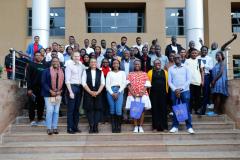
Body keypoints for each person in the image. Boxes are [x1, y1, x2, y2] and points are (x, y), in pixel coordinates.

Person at [168, 54, 195, 134]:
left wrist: (181, 89)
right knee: (175, 108)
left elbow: (189, 80)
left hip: (185, 90)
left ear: (181, 58)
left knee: (186, 108)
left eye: (178, 57)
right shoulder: (171, 69)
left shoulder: (186, 67)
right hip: (174, 91)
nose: (177, 59)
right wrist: (175, 89)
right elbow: (169, 82)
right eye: (175, 58)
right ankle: (175, 126)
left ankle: (189, 127)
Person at [125, 60, 152, 133]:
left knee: (142, 110)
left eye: (138, 64)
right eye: (136, 64)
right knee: (134, 109)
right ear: (134, 65)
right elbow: (128, 84)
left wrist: (142, 92)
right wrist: (132, 92)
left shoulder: (144, 74)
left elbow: (147, 84)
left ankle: (140, 126)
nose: (137, 65)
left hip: (142, 94)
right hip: (132, 94)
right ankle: (136, 126)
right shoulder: (130, 74)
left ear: (141, 65)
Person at [41, 57, 64, 135]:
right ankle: (49, 128)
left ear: (59, 62)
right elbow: (43, 82)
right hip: (48, 94)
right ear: (51, 62)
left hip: (58, 94)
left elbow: (63, 83)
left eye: (57, 61)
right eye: (54, 61)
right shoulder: (46, 71)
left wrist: (60, 91)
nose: (55, 62)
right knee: (50, 111)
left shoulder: (61, 71)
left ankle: (55, 127)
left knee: (56, 111)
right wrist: (50, 91)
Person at [82, 58, 105, 133]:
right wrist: (90, 92)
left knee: (97, 109)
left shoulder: (100, 72)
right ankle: (91, 126)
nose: (93, 63)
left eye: (95, 62)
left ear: (97, 63)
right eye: (91, 62)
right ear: (89, 63)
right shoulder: (86, 71)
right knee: (89, 110)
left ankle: (96, 126)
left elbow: (103, 83)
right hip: (88, 93)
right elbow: (83, 83)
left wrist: (97, 92)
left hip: (98, 93)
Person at [65, 52, 85, 134]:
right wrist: (70, 92)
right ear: (72, 57)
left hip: (79, 88)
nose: (77, 57)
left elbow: (86, 69)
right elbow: (67, 80)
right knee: (71, 110)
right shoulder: (69, 65)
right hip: (72, 87)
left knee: (77, 109)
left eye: (78, 56)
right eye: (75, 56)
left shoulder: (81, 64)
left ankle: (75, 127)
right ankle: (69, 128)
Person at [148, 59, 168, 132]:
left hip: (163, 94)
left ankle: (164, 127)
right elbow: (148, 83)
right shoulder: (150, 72)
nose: (157, 64)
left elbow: (167, 83)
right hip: (153, 94)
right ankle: (155, 127)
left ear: (161, 64)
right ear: (153, 64)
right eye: (156, 63)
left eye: (159, 63)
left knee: (163, 110)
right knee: (155, 110)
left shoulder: (165, 72)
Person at [106, 59, 126, 133]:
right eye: (114, 63)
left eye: (117, 63)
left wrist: (118, 92)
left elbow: (124, 83)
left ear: (119, 64)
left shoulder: (122, 73)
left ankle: (118, 126)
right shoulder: (109, 73)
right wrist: (112, 93)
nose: (115, 65)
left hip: (119, 91)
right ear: (112, 65)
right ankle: (113, 126)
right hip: (110, 91)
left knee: (118, 109)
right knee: (112, 109)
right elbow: (107, 84)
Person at [26, 52, 46, 126]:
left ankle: (40, 118)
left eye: (39, 55)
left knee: (41, 104)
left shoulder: (44, 66)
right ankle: (32, 120)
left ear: (41, 57)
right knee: (32, 105)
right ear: (34, 57)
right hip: (33, 88)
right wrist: (29, 89)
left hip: (42, 89)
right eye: (36, 55)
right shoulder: (30, 65)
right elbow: (28, 78)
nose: (38, 56)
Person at [185, 49, 204, 114]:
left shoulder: (199, 61)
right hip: (189, 82)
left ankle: (197, 109)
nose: (194, 54)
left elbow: (202, 71)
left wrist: (202, 80)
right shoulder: (187, 61)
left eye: (195, 53)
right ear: (190, 54)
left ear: (197, 54)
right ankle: (189, 110)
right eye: (193, 53)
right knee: (190, 97)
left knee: (197, 97)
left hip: (197, 81)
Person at [198, 46, 213, 115]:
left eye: (205, 50)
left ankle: (203, 110)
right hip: (197, 76)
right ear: (200, 51)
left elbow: (211, 67)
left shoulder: (209, 58)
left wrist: (203, 66)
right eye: (203, 50)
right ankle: (197, 108)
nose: (204, 51)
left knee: (205, 93)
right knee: (197, 93)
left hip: (206, 76)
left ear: (207, 51)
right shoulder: (198, 58)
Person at [100, 58, 111, 123]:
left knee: (108, 103)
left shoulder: (110, 70)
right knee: (102, 104)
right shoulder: (99, 70)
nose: (105, 63)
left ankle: (108, 118)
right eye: (104, 62)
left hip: (109, 89)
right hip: (102, 90)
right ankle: (102, 118)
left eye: (106, 62)